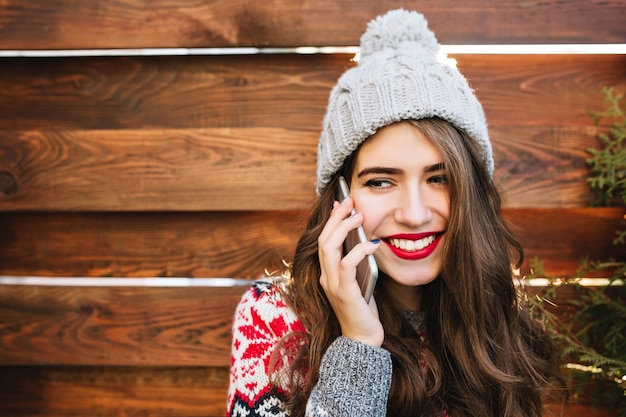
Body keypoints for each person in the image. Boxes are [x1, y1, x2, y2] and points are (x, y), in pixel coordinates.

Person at [227, 8, 566, 417]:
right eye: (380, 181)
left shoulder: (496, 318)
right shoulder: (274, 317)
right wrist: (358, 347)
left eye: (439, 178)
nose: (414, 213)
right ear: (339, 195)